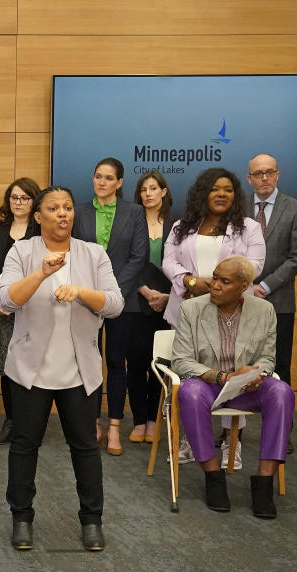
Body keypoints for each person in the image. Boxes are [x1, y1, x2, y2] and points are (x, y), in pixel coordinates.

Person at [0, 186, 123, 552]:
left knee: (85, 448)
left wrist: (82, 292)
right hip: (30, 370)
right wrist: (42, 273)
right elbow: (6, 300)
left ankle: (92, 520)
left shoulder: (93, 254)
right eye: (53, 208)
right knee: (24, 446)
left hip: (79, 372)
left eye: (68, 207)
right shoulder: (22, 251)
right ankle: (21, 518)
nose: (63, 214)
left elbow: (114, 304)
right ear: (38, 217)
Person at [171, 256, 292, 519]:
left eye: (224, 281)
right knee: (189, 392)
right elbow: (181, 360)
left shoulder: (264, 310)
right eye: (215, 277)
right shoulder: (192, 309)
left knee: (282, 392)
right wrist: (220, 377)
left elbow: (268, 358)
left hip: (246, 388)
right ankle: (213, 477)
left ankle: (264, 484)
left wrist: (256, 374)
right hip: (209, 386)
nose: (214, 285)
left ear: (244, 286)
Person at [162, 168, 265, 467]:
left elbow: (255, 264)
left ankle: (232, 445)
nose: (222, 194)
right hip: (188, 309)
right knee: (188, 375)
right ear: (202, 193)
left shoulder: (248, 228)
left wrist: (222, 283)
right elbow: (168, 260)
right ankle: (190, 441)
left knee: (232, 374)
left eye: (228, 189)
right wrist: (191, 282)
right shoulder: (183, 226)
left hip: (233, 313)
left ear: (235, 195)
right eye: (215, 189)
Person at [74, 158, 148, 456]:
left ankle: (115, 426)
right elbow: (74, 254)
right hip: (86, 300)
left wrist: (113, 291)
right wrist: (93, 293)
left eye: (108, 178)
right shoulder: (79, 211)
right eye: (97, 177)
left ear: (119, 183)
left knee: (117, 362)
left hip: (123, 300)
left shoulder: (134, 212)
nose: (101, 182)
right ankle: (92, 422)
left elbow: (138, 256)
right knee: (88, 362)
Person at [245, 154, 297, 455]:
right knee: (235, 364)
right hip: (240, 302)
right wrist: (246, 287)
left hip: (278, 301)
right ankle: (233, 432)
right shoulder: (238, 209)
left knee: (280, 366)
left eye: (269, 173)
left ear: (278, 175)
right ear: (249, 179)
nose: (264, 178)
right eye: (258, 174)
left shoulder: (296, 208)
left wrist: (264, 286)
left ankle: (283, 431)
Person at [0, 178, 40, 445]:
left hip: (35, 308)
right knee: (7, 365)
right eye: (14, 198)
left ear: (34, 201)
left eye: (24, 198)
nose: (18, 203)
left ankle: (32, 422)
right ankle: (11, 421)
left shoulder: (41, 230)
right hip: (3, 309)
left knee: (33, 365)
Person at [126, 171, 174, 444]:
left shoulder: (177, 225)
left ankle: (156, 420)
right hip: (135, 302)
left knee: (161, 364)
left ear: (164, 191)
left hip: (168, 304)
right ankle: (139, 421)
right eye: (143, 189)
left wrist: (166, 296)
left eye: (153, 188)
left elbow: (184, 263)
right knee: (136, 363)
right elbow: (123, 261)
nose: (148, 194)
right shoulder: (131, 223)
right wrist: (145, 290)